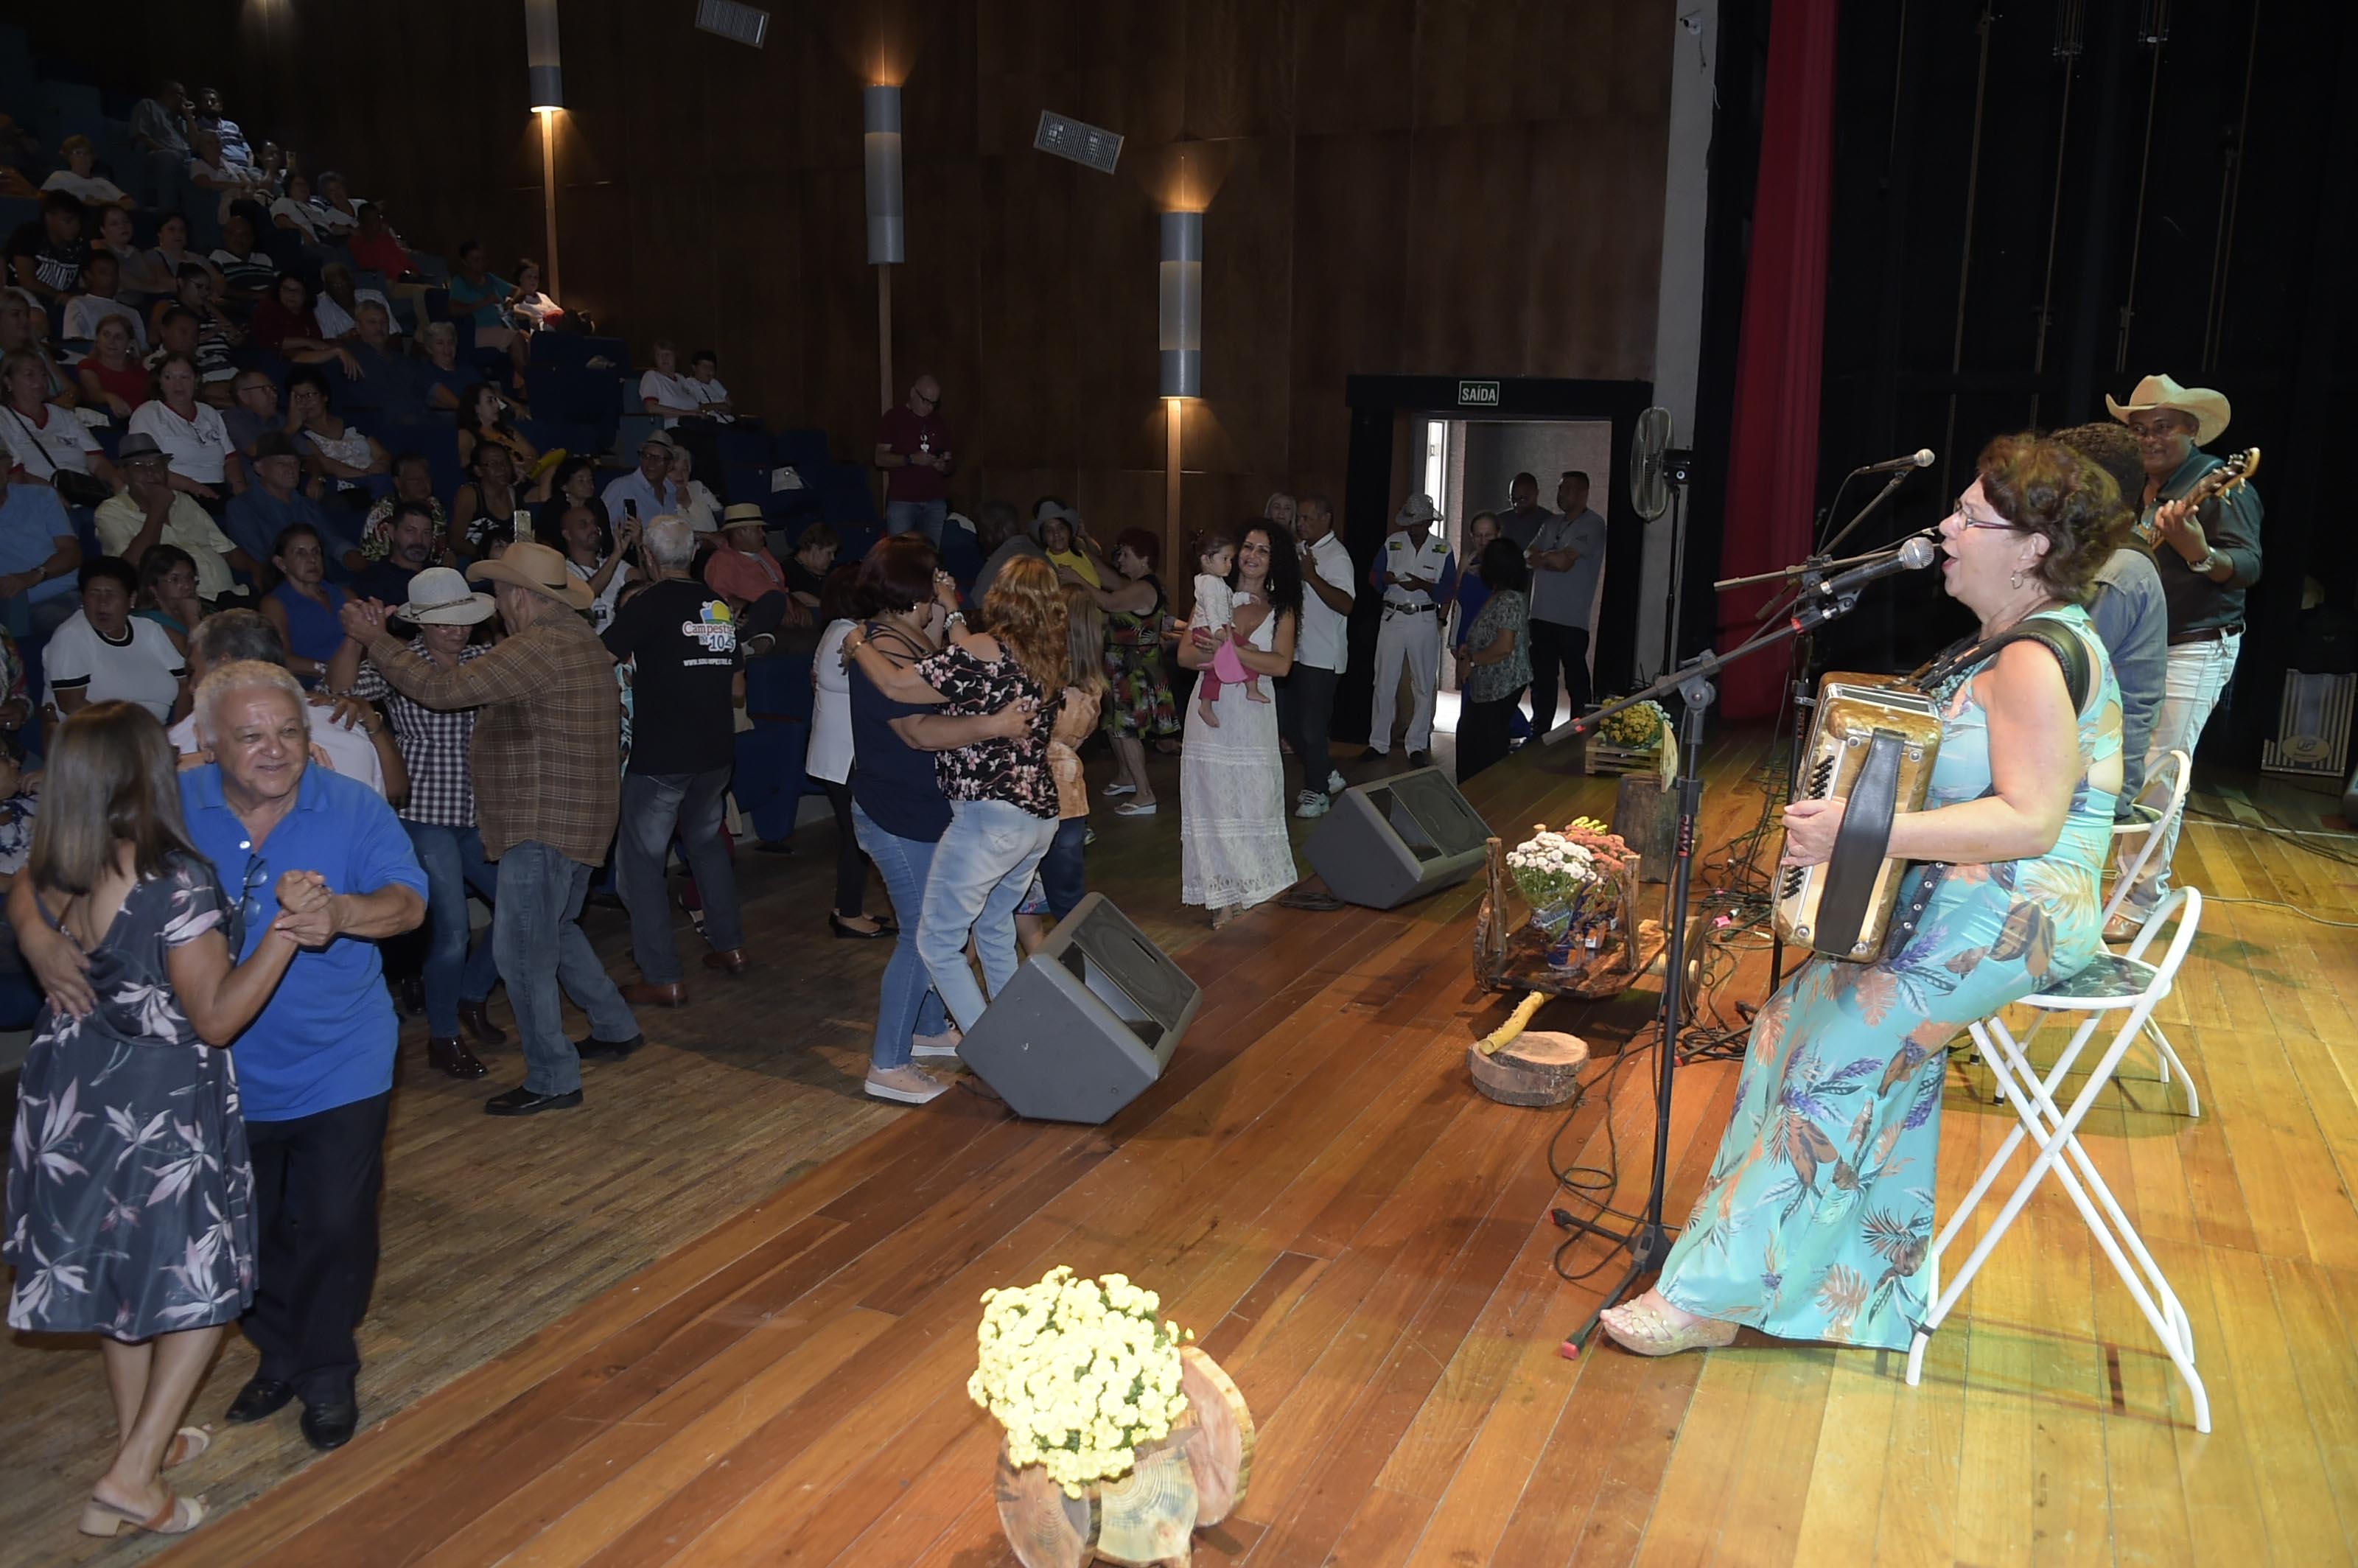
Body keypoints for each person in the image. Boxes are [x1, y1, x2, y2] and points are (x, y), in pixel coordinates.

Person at [1598, 433, 2125, 1358]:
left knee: (1834, 1053)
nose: (1946, 529)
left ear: (2032, 547)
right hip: (1970, 898)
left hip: (2012, 914)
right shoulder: (2006, 641)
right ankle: (1850, 1292)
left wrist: (1863, 831)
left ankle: (1710, 1297)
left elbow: (2031, 821)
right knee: (1786, 1019)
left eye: (1969, 516)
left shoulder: (2033, 659)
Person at [3, 701, 306, 1539]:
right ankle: (132, 1478)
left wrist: (33, 933)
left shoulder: (62, 865)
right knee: (203, 1290)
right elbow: (216, 1017)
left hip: (72, 1100)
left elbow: (23, 889)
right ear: (146, 772)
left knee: (123, 1278)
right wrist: (286, 931)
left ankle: (146, 1439)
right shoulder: (176, 878)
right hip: (157, 1103)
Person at [343, 541, 640, 1113]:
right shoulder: (578, 638)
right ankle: (614, 1025)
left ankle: (552, 1078)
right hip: (580, 818)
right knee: (557, 930)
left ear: (523, 596)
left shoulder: (540, 645)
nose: (498, 608)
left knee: (522, 953)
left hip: (544, 822)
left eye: (501, 595)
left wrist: (376, 640)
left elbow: (442, 691)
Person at [844, 556, 1066, 1029]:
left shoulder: (987, 649)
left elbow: (895, 686)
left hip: (990, 818)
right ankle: (1016, 1033)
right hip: (1038, 818)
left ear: (1000, 597)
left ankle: (993, 1051)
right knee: (994, 926)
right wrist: (953, 612)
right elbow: (973, 660)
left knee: (938, 944)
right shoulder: (1048, 655)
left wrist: (856, 642)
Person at [841, 536, 1018, 1102]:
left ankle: (929, 1027)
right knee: (925, 939)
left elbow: (954, 661)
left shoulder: (910, 636)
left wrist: (948, 606)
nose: (943, 584)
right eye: (934, 579)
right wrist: (993, 726)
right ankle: (888, 1064)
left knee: (940, 929)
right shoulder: (881, 651)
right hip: (896, 815)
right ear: (913, 592)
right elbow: (917, 733)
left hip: (920, 809)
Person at [328, 567, 507, 1079]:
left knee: (522, 909)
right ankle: (443, 1036)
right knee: (451, 930)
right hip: (423, 813)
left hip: (477, 810)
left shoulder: (482, 659)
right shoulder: (400, 661)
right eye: (444, 621)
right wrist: (357, 636)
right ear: (422, 623)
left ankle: (470, 995)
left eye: (462, 619)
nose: (457, 630)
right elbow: (338, 688)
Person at [2102, 373, 2263, 935]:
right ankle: (2113, 881)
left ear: (2192, 430)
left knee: (2158, 771)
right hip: (2137, 647)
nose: (2149, 438)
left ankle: (2140, 898)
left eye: (2163, 427)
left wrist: (2198, 552)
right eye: (2140, 429)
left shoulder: (2224, 487)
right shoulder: (2136, 489)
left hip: (2194, 644)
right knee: (2117, 762)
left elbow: (2248, 566)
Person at [600, 514, 755, 1003]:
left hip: (663, 756)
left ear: (647, 556)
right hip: (716, 752)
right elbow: (736, 685)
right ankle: (731, 948)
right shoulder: (718, 606)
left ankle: (662, 975)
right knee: (707, 846)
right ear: (692, 555)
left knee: (643, 864)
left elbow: (599, 660)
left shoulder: (647, 604)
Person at [1178, 522, 1301, 925]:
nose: (1252, 556)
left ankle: (1254, 889)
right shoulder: (1213, 595)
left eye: (1263, 550)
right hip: (1210, 709)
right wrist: (1219, 654)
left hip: (1252, 714)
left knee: (1255, 799)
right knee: (1211, 801)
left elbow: (1280, 665)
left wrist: (1230, 650)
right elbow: (1184, 656)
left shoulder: (1282, 609)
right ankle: (1220, 897)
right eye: (1247, 547)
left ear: (1275, 561)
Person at [2052, 422, 2169, 825]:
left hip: (2088, 786)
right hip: (2069, 764)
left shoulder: (2116, 572)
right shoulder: (2104, 558)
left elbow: (2061, 683)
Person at [168, 609, 394, 800]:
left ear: (225, 665)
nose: (192, 688)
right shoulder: (345, 723)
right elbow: (390, 791)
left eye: (193, 671)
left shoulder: (190, 736)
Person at [1014, 585, 1107, 953]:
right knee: (1067, 899)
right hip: (1069, 800)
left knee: (1014, 898)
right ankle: (1082, 969)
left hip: (1027, 796)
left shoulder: (1037, 681)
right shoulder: (1092, 689)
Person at [809, 566, 884, 937]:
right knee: (857, 836)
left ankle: (847, 907)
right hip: (843, 756)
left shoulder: (839, 629)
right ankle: (848, 914)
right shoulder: (847, 634)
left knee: (854, 836)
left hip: (839, 753)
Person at [96, 431, 254, 600]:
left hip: (230, 596)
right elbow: (132, 567)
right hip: (176, 604)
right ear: (124, 474)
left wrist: (258, 569)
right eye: (139, 466)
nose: (150, 472)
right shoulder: (110, 512)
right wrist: (158, 508)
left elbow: (227, 550)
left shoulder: (183, 501)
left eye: (157, 465)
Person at [1087, 528, 1178, 816]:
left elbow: (1109, 602)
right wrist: (1084, 548)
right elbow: (1106, 578)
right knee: (1113, 725)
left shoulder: (1145, 588)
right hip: (1119, 667)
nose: (1120, 559)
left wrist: (1076, 579)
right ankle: (1127, 776)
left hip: (1134, 670)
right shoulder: (1134, 584)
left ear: (1144, 558)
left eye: (1126, 554)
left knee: (1126, 731)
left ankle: (1145, 794)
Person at [1365, 494, 1455, 768]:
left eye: (1417, 523)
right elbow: (1373, 576)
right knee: (1383, 681)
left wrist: (1424, 586)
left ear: (1428, 522)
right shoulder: (1393, 543)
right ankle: (1378, 743)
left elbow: (1448, 589)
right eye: (1409, 522)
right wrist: (1385, 579)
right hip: (1392, 616)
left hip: (1423, 618)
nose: (1412, 528)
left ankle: (1417, 743)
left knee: (1424, 683)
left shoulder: (1443, 549)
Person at [43, 556, 187, 724]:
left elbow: (185, 684)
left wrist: (180, 730)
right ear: (82, 598)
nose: (102, 603)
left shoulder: (149, 630)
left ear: (131, 599)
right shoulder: (71, 635)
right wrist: (137, 733)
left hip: (157, 733)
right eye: (94, 594)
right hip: (98, 733)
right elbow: (71, 705)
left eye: (111, 594)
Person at [1286, 494, 1355, 817]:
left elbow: (1347, 604)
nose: (1301, 524)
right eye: (1299, 518)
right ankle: (1326, 772)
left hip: (1324, 656)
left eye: (1308, 518)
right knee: (1288, 721)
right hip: (1297, 652)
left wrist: (1312, 577)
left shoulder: (1337, 556)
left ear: (1326, 519)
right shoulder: (1301, 550)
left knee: (1312, 728)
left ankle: (1318, 792)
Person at [1523, 470, 1607, 735]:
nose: (1561, 494)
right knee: (1542, 679)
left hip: (1571, 619)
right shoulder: (1551, 522)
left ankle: (1579, 733)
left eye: (1568, 489)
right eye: (1560, 488)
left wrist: (1546, 558)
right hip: (1540, 615)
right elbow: (1528, 555)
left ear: (1583, 493)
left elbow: (1562, 563)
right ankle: (1540, 733)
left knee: (1576, 681)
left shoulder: (1593, 524)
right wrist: (1551, 557)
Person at [1452, 538, 1531, 783]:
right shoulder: (1499, 594)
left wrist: (1472, 661)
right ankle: (1474, 791)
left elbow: (1504, 646)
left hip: (1501, 683)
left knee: (1484, 744)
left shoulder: (1509, 600)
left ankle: (1482, 794)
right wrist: (1469, 647)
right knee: (1475, 738)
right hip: (1487, 684)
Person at [226, 430, 354, 579]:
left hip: (322, 580)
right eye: (281, 464)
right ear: (259, 468)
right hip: (280, 583)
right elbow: (258, 559)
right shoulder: (242, 507)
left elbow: (330, 539)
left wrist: (348, 553)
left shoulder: (307, 504)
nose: (291, 470)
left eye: (295, 463)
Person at [127, 356, 246, 505]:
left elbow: (231, 458)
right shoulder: (148, 413)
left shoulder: (209, 412)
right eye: (169, 377)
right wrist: (195, 487)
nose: (178, 384)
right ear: (160, 383)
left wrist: (239, 487)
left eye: (185, 377)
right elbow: (142, 468)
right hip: (175, 493)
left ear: (196, 381)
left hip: (218, 492)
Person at [1186, 530, 1269, 728]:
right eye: (1224, 559)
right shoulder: (1208, 584)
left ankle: (1206, 704)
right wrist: (1217, 630)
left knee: (1215, 669)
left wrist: (1245, 598)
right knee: (1250, 650)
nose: (1229, 565)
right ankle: (1251, 688)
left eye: (1230, 560)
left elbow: (1228, 601)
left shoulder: (1217, 583)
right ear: (1206, 560)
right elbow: (1212, 609)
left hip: (1216, 627)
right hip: (1209, 628)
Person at [1, 349, 112, 491]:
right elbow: (15, 478)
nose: (40, 381)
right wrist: (55, 497)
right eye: (30, 375)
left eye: (43, 374)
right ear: (8, 382)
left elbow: (98, 464)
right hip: (41, 496)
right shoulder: (4, 419)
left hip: (85, 492)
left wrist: (120, 490)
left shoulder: (64, 415)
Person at [284, 365, 386, 505]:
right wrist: (368, 476)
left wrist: (382, 465)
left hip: (378, 480)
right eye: (298, 398)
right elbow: (326, 464)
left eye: (309, 395)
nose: (305, 403)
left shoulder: (350, 422)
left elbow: (382, 454)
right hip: (347, 491)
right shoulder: (300, 435)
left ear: (324, 396)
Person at [259, 525, 349, 682]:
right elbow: (282, 659)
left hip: (357, 678)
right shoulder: (275, 604)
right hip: (313, 686)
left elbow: (366, 643)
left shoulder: (345, 595)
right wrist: (330, 669)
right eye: (301, 553)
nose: (312, 560)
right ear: (281, 564)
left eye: (316, 552)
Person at [875, 374, 952, 544]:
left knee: (931, 553)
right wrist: (910, 460)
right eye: (925, 401)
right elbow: (880, 458)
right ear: (913, 393)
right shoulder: (893, 418)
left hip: (934, 502)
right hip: (902, 501)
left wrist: (943, 465)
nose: (929, 407)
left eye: (934, 403)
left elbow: (949, 460)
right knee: (899, 552)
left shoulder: (938, 422)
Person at [0, 477, 83, 634]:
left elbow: (72, 553)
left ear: (9, 465)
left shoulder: (41, 496)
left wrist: (35, 575)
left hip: (73, 591)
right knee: (75, 625)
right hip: (25, 605)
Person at [705, 501, 791, 612]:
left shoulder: (762, 552)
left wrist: (796, 604)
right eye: (758, 529)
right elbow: (722, 599)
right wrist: (764, 612)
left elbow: (781, 587)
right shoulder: (722, 561)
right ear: (740, 532)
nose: (763, 534)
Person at [360, 455, 448, 563]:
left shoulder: (434, 504)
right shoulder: (384, 510)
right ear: (398, 482)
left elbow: (441, 541)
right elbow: (375, 557)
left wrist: (447, 553)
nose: (422, 483)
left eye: (426, 478)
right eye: (414, 479)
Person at [7, 191, 88, 307]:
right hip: (21, 300)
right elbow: (27, 281)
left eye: (78, 221)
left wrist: (75, 297)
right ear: (49, 218)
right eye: (68, 221)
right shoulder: (28, 235)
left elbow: (89, 283)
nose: (75, 226)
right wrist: (59, 295)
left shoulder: (81, 244)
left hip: (63, 304)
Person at [351, 500, 438, 607]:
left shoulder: (441, 575)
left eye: (426, 533)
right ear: (392, 532)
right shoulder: (372, 582)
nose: (419, 540)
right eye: (410, 531)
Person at [60, 250, 144, 351]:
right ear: (89, 275)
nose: (110, 278)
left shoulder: (132, 313)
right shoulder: (78, 304)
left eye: (114, 273)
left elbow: (143, 348)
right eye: (104, 273)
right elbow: (75, 342)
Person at [970, 498, 1046, 604]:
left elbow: (977, 607)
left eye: (982, 532)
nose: (980, 539)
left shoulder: (999, 565)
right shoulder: (1041, 556)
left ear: (998, 529)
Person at [444, 241, 515, 352]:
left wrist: (511, 301)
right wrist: (486, 301)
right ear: (465, 262)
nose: (481, 263)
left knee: (532, 340)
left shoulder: (490, 278)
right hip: (480, 330)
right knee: (516, 339)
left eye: (483, 259)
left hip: (502, 325)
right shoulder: (460, 282)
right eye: (476, 260)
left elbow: (518, 291)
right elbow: (453, 310)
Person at [77, 315, 149, 419]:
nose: (111, 341)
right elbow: (95, 393)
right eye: (106, 335)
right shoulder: (88, 366)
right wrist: (110, 397)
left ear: (130, 343)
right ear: (98, 340)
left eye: (118, 337)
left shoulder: (141, 371)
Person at [603, 430, 682, 525]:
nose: (651, 462)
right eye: (647, 456)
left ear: (670, 465)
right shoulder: (622, 488)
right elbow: (601, 526)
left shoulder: (671, 492)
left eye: (658, 458)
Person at [40, 133, 134, 209]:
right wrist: (83, 205)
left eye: (87, 153)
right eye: (78, 153)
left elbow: (131, 204)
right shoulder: (59, 176)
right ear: (68, 157)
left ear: (92, 158)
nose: (83, 157)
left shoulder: (102, 181)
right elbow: (42, 200)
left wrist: (102, 204)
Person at [134, 544, 202, 645]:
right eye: (175, 579)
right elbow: (201, 653)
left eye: (190, 577)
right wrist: (193, 619)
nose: (187, 586)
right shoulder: (149, 623)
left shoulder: (200, 611)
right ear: (153, 587)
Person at [207, 211, 276, 307]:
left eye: (244, 235)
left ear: (252, 239)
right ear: (225, 236)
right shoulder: (218, 256)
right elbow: (220, 291)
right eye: (232, 234)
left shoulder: (264, 259)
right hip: (240, 309)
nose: (238, 239)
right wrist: (257, 295)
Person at [638, 340, 704, 428]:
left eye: (667, 354)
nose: (664, 358)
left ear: (675, 357)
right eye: (659, 355)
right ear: (655, 360)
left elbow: (698, 405)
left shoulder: (681, 378)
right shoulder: (652, 376)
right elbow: (651, 408)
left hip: (697, 423)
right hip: (675, 427)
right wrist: (687, 413)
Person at [414, 321, 472, 413]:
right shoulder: (425, 372)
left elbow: (487, 393)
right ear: (429, 348)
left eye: (451, 342)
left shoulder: (467, 369)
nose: (447, 348)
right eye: (440, 343)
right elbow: (453, 403)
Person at [1035, 503, 1099, 587]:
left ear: (1069, 531)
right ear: (1043, 537)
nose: (1056, 534)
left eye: (1061, 528)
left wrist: (1085, 536)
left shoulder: (1082, 554)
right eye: (1049, 530)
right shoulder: (1043, 566)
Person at [668, 442, 721, 536]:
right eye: (673, 469)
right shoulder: (660, 500)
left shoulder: (698, 487)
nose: (680, 475)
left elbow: (720, 514)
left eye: (684, 469)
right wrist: (709, 537)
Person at [784, 521, 838, 608]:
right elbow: (796, 596)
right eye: (829, 553)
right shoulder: (788, 570)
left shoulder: (831, 570)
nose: (833, 558)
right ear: (814, 549)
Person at [1497, 471, 1555, 550]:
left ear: (1536, 494)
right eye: (1513, 499)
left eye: (1522, 499)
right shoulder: (1500, 521)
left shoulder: (1550, 522)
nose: (1516, 504)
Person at [510, 259, 563, 332]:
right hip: (538, 332)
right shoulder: (514, 297)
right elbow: (510, 312)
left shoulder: (543, 297)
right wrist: (529, 315)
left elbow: (559, 312)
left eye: (536, 277)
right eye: (529, 277)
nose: (533, 280)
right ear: (520, 278)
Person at [683, 349, 732, 421]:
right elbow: (696, 407)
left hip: (728, 420)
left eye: (712, 368)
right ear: (694, 368)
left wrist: (726, 409)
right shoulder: (688, 384)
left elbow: (730, 404)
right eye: (705, 367)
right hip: (710, 422)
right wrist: (718, 406)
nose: (709, 371)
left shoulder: (714, 382)